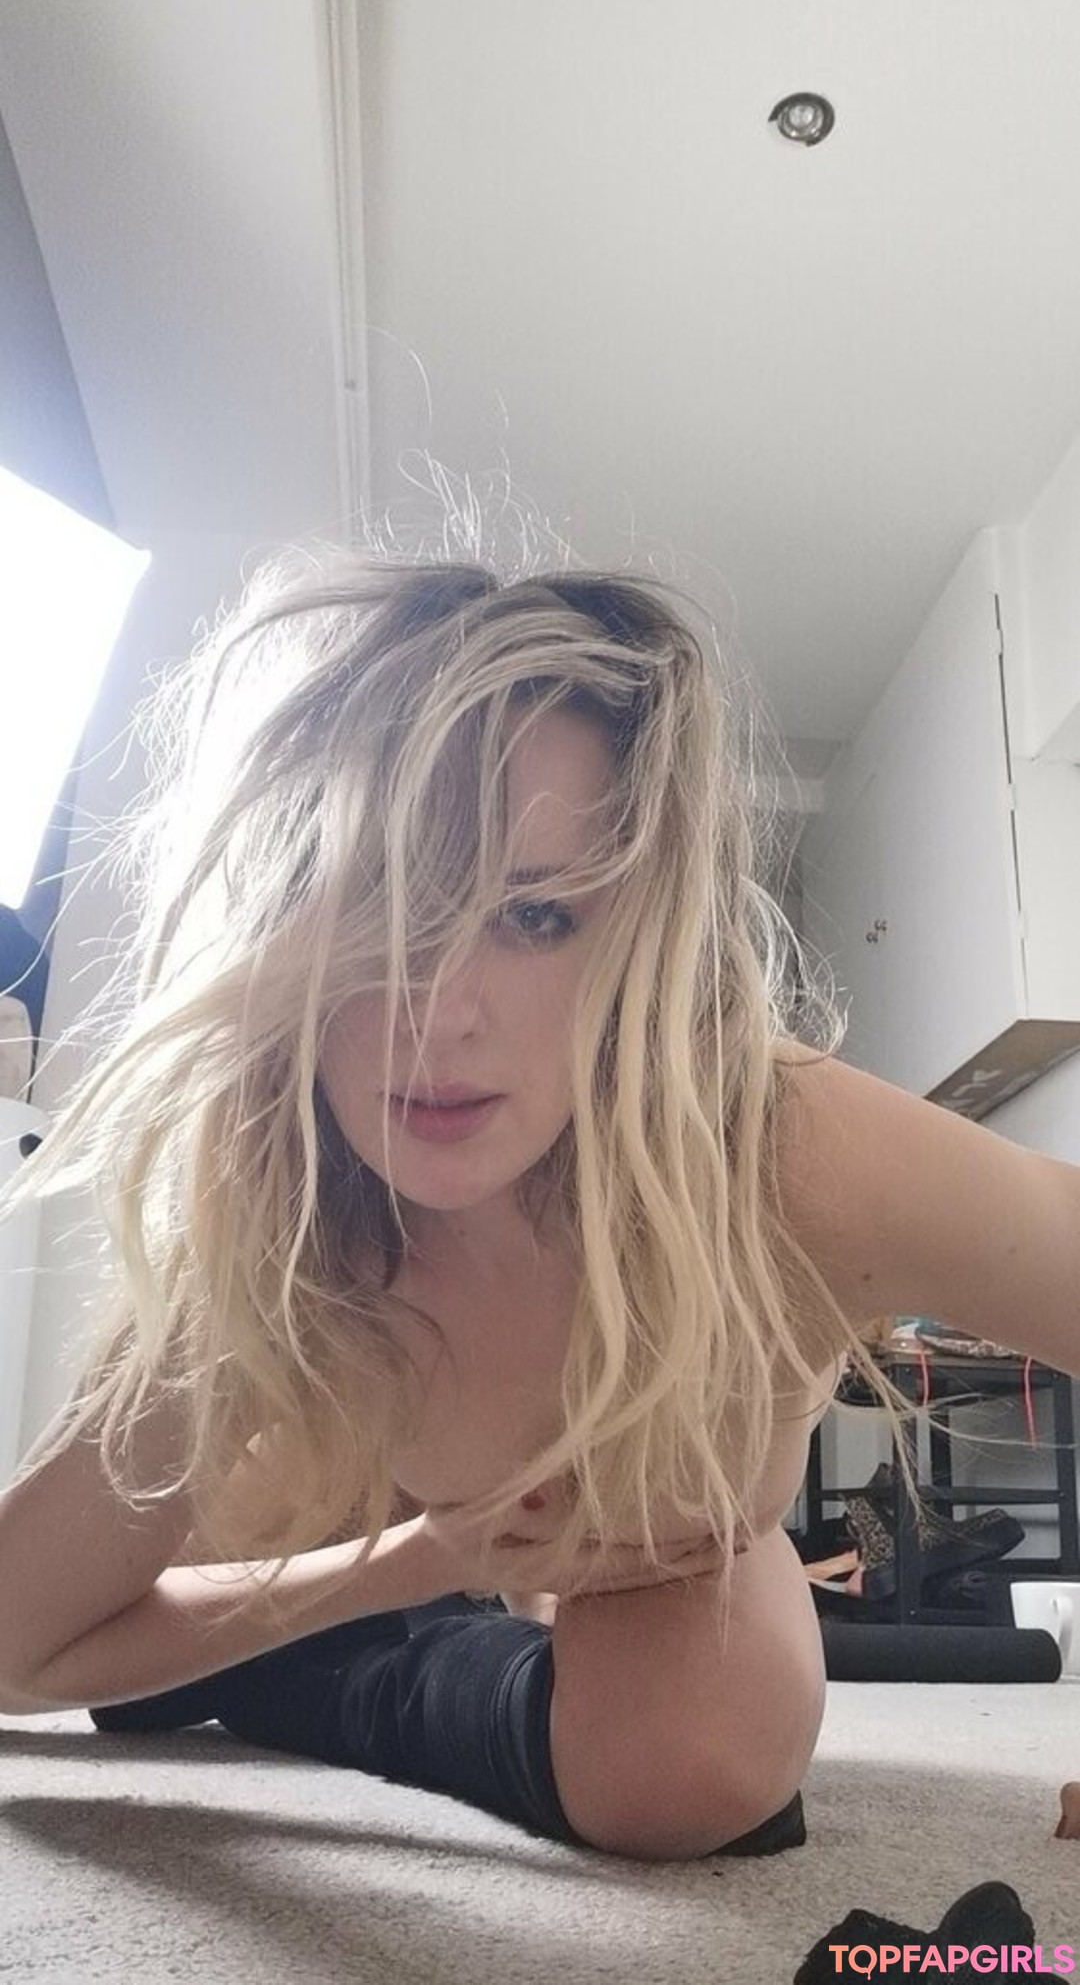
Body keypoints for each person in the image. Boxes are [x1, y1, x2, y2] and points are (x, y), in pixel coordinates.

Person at [0, 539, 1077, 1863]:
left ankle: (337, 1658)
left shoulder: (777, 1146)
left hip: (653, 1567)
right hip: (343, 1508)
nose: (437, 1014)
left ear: (635, 932)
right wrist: (415, 1561)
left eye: (534, 916)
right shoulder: (287, 1201)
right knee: (159, 1602)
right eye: (379, 908)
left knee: (695, 1757)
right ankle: (340, 1659)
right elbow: (14, 1649)